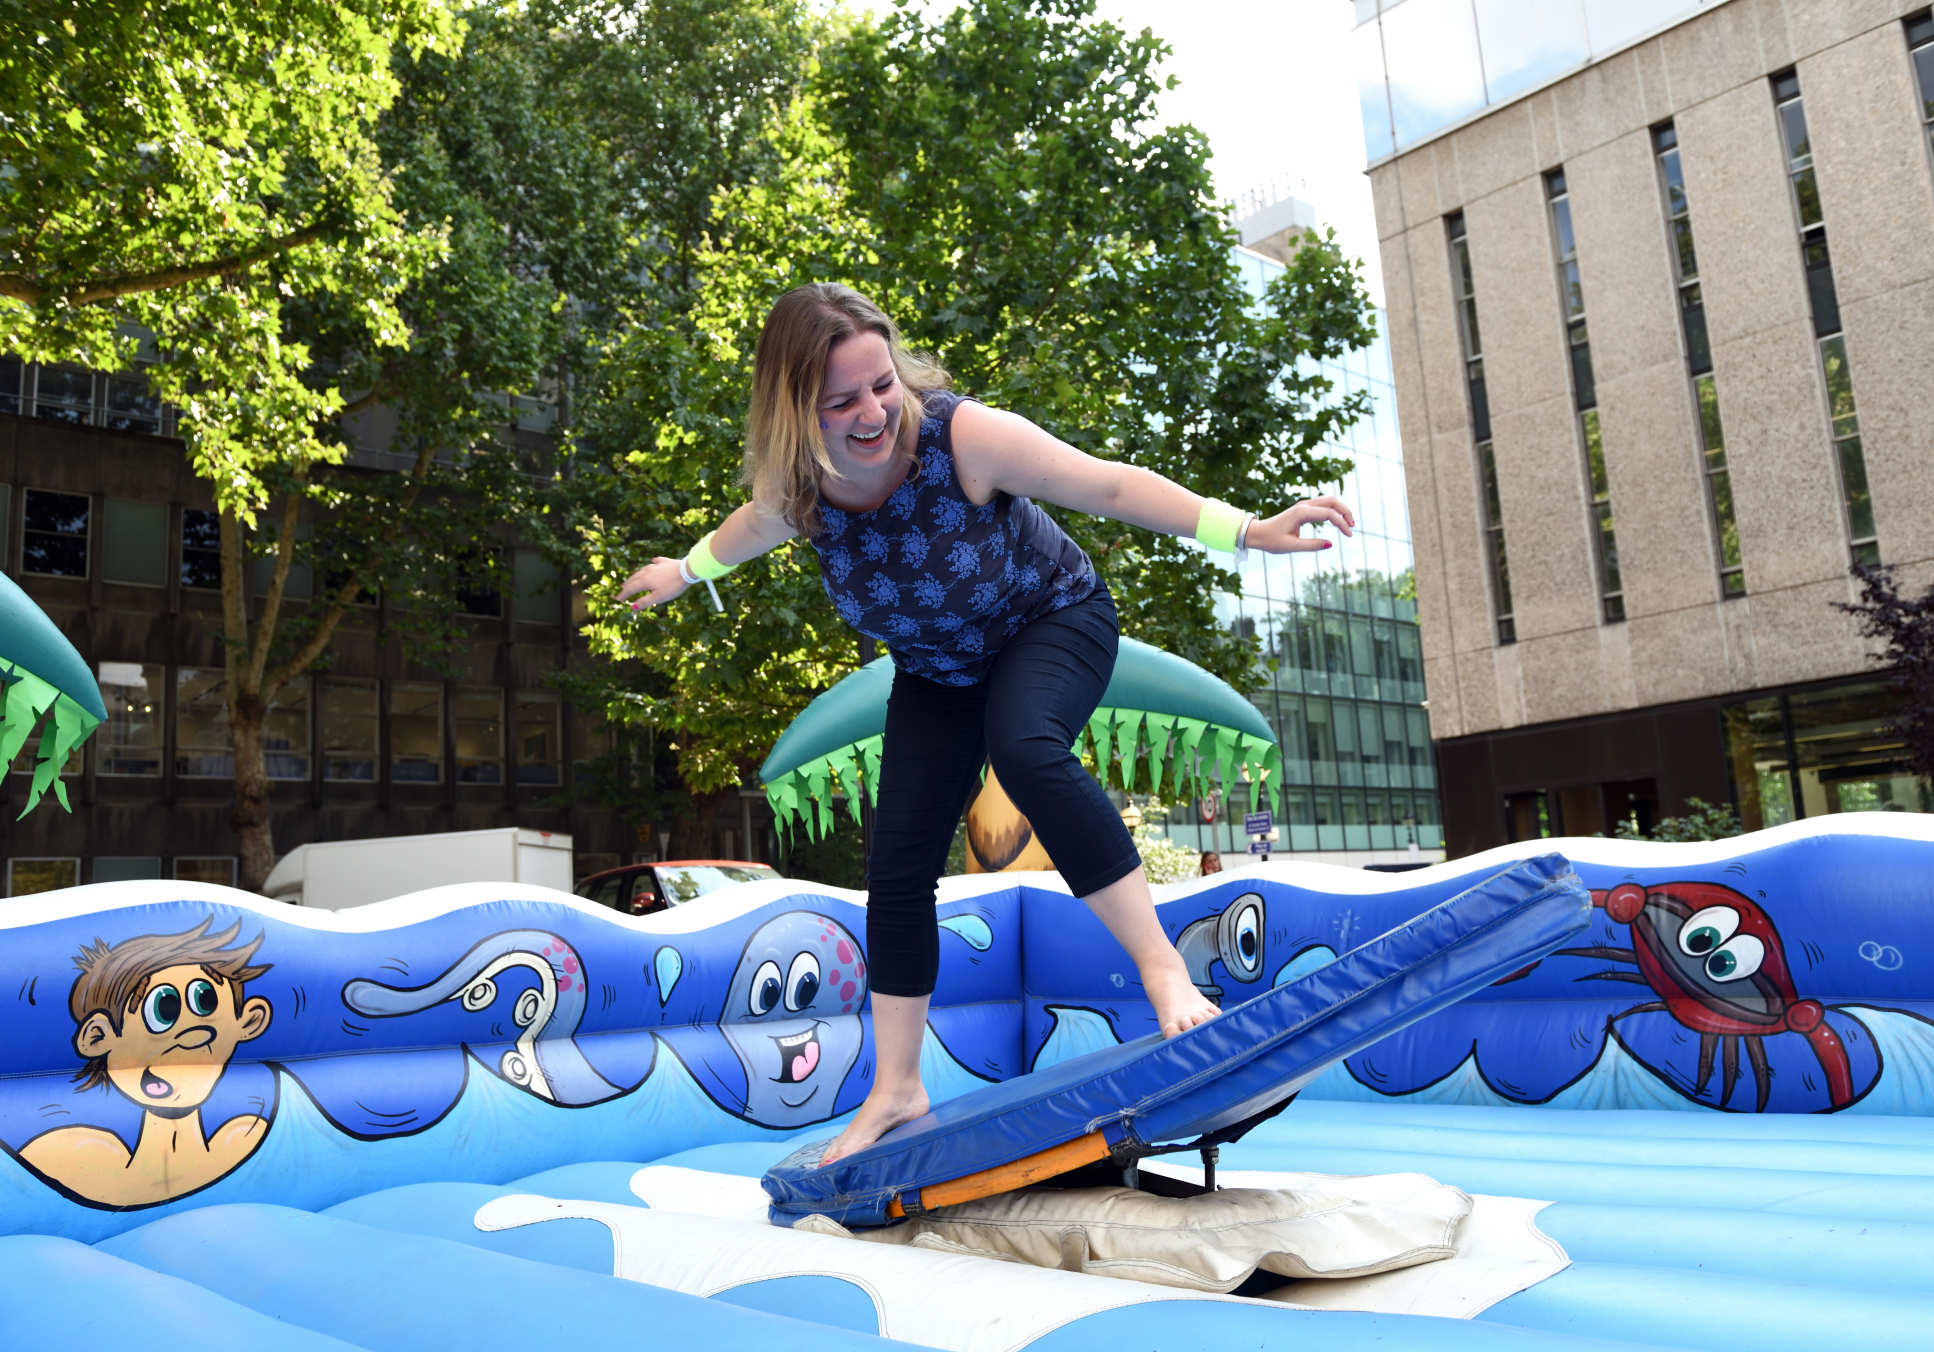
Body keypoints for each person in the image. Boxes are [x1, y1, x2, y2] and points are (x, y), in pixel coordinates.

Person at [620, 283, 1354, 1164]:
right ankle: (896, 1088)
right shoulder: (800, 493)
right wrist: (685, 570)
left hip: (1054, 621)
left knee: (1027, 749)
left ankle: (1165, 974)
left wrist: (1250, 531)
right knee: (896, 860)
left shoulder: (965, 440)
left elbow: (1109, 485)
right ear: (795, 415)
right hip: (939, 671)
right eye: (842, 402)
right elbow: (743, 531)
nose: (873, 414)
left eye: (882, 384)